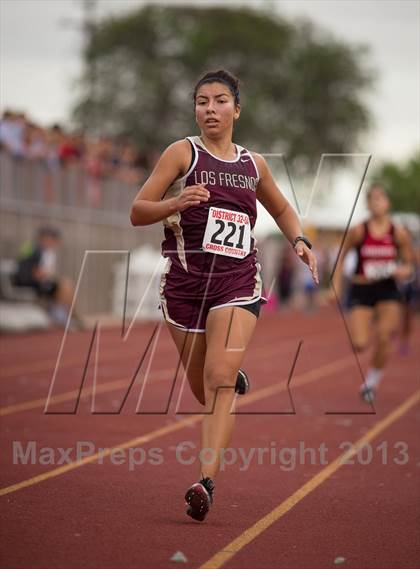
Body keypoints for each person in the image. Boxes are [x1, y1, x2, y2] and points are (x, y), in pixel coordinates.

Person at [130, 69, 318, 522]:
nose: (209, 109)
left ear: (237, 108)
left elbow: (282, 208)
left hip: (236, 283)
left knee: (217, 375)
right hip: (185, 287)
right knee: (203, 389)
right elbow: (138, 211)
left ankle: (205, 482)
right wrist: (174, 204)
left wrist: (300, 240)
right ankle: (231, 381)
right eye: (201, 101)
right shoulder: (182, 153)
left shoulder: (253, 165)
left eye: (218, 101)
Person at [332, 184, 414, 403]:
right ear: (368, 204)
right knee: (359, 343)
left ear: (388, 203)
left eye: (381, 198)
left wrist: (399, 270)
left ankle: (371, 382)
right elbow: (341, 258)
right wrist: (337, 287)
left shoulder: (398, 233)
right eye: (373, 198)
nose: (377, 202)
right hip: (362, 288)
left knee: (385, 337)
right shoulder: (359, 230)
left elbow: (409, 265)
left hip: (388, 289)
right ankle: (368, 327)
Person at [13, 226, 84, 330]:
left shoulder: (47, 252)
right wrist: (39, 274)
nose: (54, 243)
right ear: (45, 238)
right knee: (65, 286)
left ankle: (67, 317)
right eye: (52, 240)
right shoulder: (33, 249)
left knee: (65, 285)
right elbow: (26, 270)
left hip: (40, 283)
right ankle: (73, 317)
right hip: (30, 283)